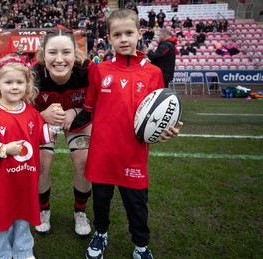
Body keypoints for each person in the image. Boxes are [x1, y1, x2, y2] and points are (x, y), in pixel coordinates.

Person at [70, 9, 182, 259]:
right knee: (101, 201)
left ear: (139, 34)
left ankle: (141, 246)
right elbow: (88, 108)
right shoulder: (100, 71)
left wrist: (167, 129)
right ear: (108, 38)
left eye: (129, 33)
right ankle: (100, 233)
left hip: (134, 154)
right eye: (117, 34)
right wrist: (62, 124)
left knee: (137, 205)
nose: (123, 39)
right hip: (102, 153)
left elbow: (160, 113)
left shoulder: (153, 74)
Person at [0, 56, 60, 259]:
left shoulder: (30, 112)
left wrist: (55, 119)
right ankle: (2, 252)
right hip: (1, 178)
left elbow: (42, 136)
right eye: (8, 82)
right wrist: (3, 148)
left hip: (25, 177)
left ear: (27, 85)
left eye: (19, 82)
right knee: (3, 214)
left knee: (23, 213)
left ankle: (23, 250)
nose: (14, 87)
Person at [31, 27, 97, 236]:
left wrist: (76, 110)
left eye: (66, 52)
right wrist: (41, 116)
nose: (59, 59)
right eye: (52, 52)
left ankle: (80, 212)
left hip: (78, 119)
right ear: (43, 53)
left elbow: (98, 103)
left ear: (75, 53)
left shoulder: (88, 70)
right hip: (43, 119)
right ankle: (43, 209)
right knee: (41, 163)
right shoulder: (33, 75)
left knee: (84, 161)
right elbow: (19, 109)